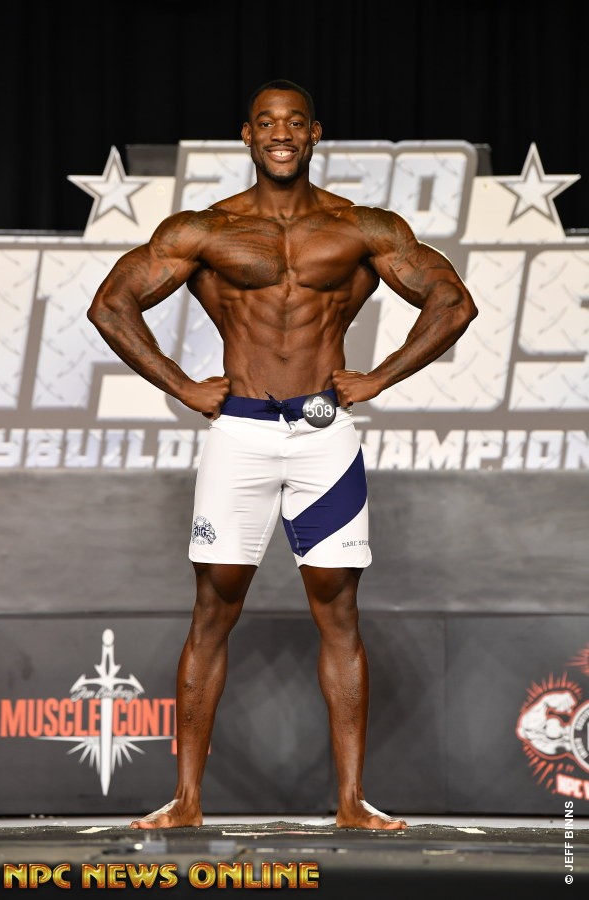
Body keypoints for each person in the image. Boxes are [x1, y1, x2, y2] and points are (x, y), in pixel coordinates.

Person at [87, 79, 477, 831]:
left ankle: (352, 803)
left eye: (295, 122)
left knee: (339, 612)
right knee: (213, 610)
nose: (281, 133)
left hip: (324, 437)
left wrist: (379, 377)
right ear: (247, 135)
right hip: (239, 434)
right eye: (267, 122)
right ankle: (187, 802)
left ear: (314, 133)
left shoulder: (360, 227)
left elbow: (452, 301)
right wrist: (180, 386)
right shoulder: (205, 229)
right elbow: (111, 303)